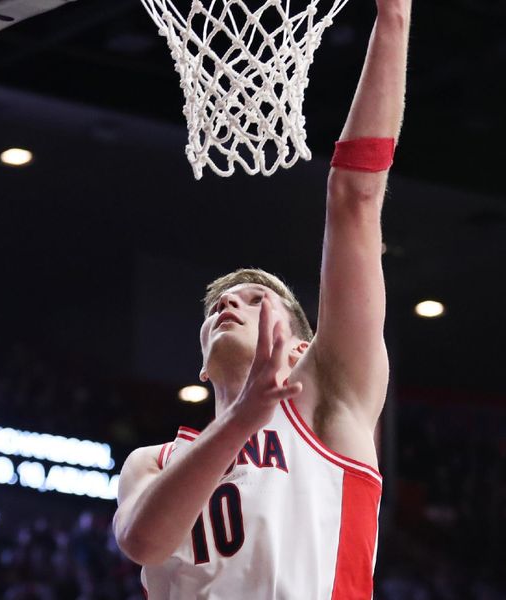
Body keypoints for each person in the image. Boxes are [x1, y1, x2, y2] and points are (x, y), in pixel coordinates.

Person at [114, 0, 411, 597]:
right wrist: (244, 415)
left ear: (302, 344)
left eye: (253, 299)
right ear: (200, 364)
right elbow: (142, 542)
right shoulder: (154, 459)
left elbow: (354, 200)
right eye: (215, 309)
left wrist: (393, 21)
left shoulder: (330, 403)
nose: (227, 305)